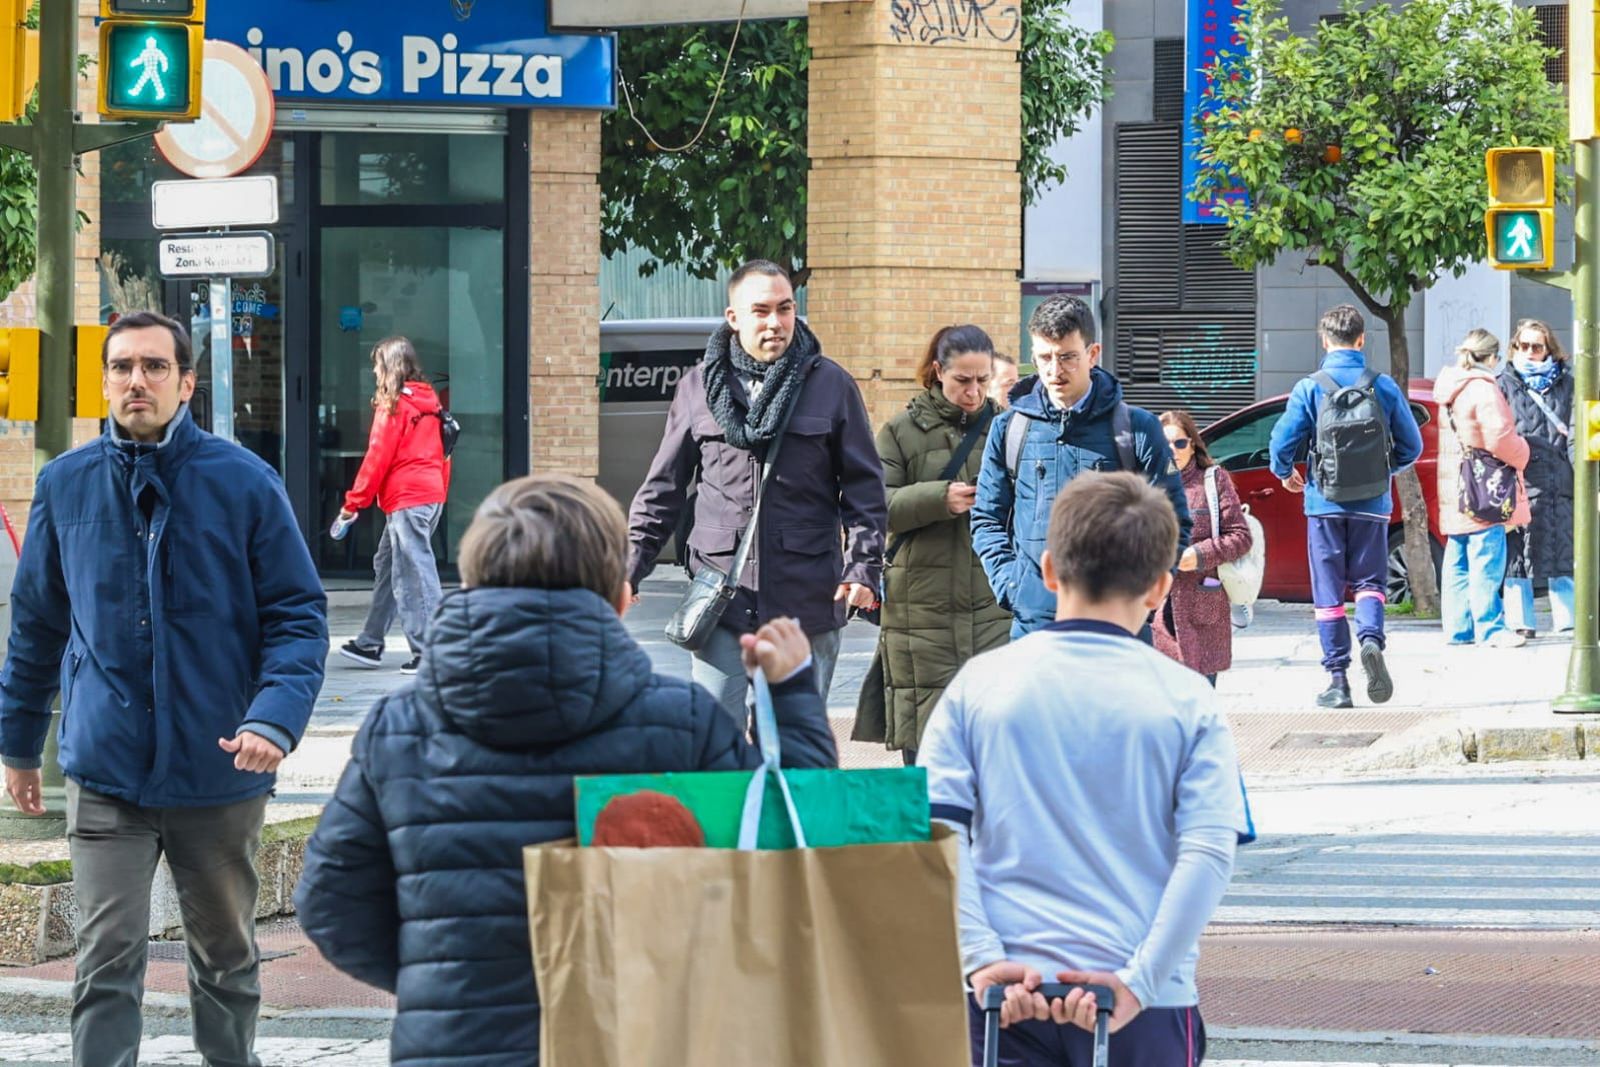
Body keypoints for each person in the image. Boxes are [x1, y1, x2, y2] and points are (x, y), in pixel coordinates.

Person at [294, 473, 837, 1065]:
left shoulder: (398, 728)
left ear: (472, 580)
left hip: (455, 1046)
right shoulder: (681, 723)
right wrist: (791, 695)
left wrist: (441, 975)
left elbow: (330, 902)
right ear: (622, 596)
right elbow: (801, 850)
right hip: (641, 1037)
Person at [0, 311, 327, 1067]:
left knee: (224, 956)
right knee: (105, 955)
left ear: (185, 383)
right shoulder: (65, 484)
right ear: (105, 380)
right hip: (108, 770)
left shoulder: (245, 482)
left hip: (220, 768)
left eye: (153, 366)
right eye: (121, 367)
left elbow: (298, 614)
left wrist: (273, 719)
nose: (135, 380)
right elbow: (38, 625)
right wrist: (18, 743)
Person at [921, 473, 1245, 1066]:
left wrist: (981, 960)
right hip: (1140, 1003)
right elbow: (1208, 852)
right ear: (1159, 588)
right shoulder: (1187, 699)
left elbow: (938, 834)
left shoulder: (978, 687)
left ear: (1048, 570)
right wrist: (1142, 980)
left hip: (1003, 998)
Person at [628, 259, 887, 722]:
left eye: (785, 309)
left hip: (806, 600)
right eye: (761, 310)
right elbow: (663, 489)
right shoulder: (696, 389)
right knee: (716, 746)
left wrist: (863, 568)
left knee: (795, 746)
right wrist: (628, 570)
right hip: (720, 601)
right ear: (734, 319)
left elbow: (866, 492)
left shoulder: (831, 385)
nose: (776, 322)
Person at [971, 293, 1190, 639]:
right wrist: (1012, 586)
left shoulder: (1138, 428)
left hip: (1119, 625)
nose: (1055, 371)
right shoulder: (1010, 429)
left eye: (1068, 357)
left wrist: (1141, 597)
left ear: (1093, 354)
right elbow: (987, 517)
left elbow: (1174, 520)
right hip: (1034, 624)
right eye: (1045, 358)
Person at [853, 325, 1011, 766]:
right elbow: (871, 506)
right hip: (919, 609)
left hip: (992, 602)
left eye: (982, 380)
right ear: (938, 371)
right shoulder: (901, 431)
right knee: (926, 743)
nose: (974, 392)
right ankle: (931, 833)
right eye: (963, 380)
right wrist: (938, 498)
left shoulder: (1006, 428)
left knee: (993, 740)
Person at [1268, 304, 1423, 710]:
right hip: (1373, 502)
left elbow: (1282, 443)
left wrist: (1285, 472)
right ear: (1361, 339)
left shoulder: (1310, 387)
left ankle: (1338, 680)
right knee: (1371, 583)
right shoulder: (1383, 386)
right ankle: (1371, 639)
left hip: (1324, 503)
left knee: (1328, 592)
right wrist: (1385, 471)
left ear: (1324, 340)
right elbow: (1413, 446)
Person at [335, 336, 450, 675]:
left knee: (412, 575)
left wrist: (353, 504)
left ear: (388, 367)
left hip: (407, 499)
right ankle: (370, 642)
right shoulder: (430, 402)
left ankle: (432, 651)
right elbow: (445, 454)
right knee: (388, 566)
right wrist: (439, 493)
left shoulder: (395, 405)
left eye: (376, 365)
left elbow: (377, 458)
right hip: (428, 495)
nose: (373, 372)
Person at [1435, 330, 1531, 648]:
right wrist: (1524, 452)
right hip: (1484, 488)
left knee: (1458, 558)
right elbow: (1500, 438)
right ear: (1491, 358)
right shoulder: (1483, 390)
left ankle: (1458, 629)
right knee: (1487, 555)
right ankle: (1490, 628)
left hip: (1456, 487)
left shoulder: (1449, 389)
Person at [1152, 410, 1253, 683]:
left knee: (1201, 703)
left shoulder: (1213, 480)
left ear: (1193, 443)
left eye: (1180, 443)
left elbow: (1240, 536)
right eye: (1166, 444)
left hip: (1201, 608)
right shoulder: (1147, 482)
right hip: (1156, 611)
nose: (1173, 450)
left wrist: (1199, 555)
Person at [1498, 318, 1575, 638]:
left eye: (1537, 346)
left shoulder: (1568, 383)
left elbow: (1576, 431)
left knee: (1561, 551)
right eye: (1524, 345)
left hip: (1558, 481)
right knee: (1518, 554)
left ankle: (1567, 620)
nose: (1530, 352)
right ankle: (1521, 622)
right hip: (1517, 481)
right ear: (1515, 346)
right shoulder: (1503, 383)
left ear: (1549, 350)